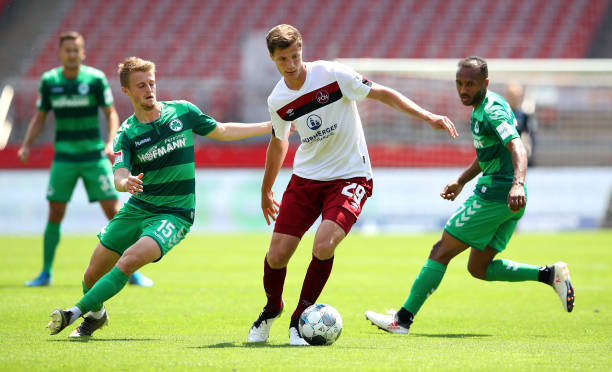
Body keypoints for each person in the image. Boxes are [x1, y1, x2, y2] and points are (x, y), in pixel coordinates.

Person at [246, 24, 458, 346]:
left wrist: (427, 116)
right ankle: (272, 308)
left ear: (302, 50)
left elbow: (383, 93)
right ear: (273, 59)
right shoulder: (278, 99)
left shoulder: (332, 75)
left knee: (324, 245)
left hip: (350, 175)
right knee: (277, 256)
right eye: (282, 60)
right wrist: (266, 189)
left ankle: (298, 321)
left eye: (294, 56)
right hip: (306, 178)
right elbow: (279, 143)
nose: (291, 65)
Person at [46, 56, 273, 337]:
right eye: (140, 85)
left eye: (151, 83)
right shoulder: (126, 134)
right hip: (138, 208)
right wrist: (124, 182)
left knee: (128, 262)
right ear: (127, 91)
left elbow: (223, 130)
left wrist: (269, 126)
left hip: (174, 214)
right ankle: (97, 315)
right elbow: (118, 173)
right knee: (91, 275)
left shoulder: (181, 112)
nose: (149, 89)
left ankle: (74, 313)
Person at [364, 56, 575, 335]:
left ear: (485, 83)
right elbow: (488, 154)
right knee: (479, 268)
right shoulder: (484, 107)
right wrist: (462, 181)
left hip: (496, 194)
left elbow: (518, 148)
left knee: (440, 251)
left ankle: (402, 320)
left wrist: (517, 184)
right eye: (459, 83)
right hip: (507, 197)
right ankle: (550, 274)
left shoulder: (491, 112)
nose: (463, 89)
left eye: (470, 84)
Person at [18, 31, 153, 287]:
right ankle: (45, 273)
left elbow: (111, 113)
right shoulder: (50, 81)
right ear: (60, 54)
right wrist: (26, 145)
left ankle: (131, 270)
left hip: (94, 156)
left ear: (83, 53)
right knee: (55, 211)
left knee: (115, 213)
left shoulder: (94, 79)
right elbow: (40, 117)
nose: (71, 54)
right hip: (65, 158)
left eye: (76, 50)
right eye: (67, 50)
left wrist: (110, 141)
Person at [506, 81, 538, 166]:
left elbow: (532, 136)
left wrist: (530, 156)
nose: (514, 98)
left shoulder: (524, 115)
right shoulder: (502, 115)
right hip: (504, 160)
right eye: (511, 95)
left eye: (516, 95)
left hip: (520, 158)